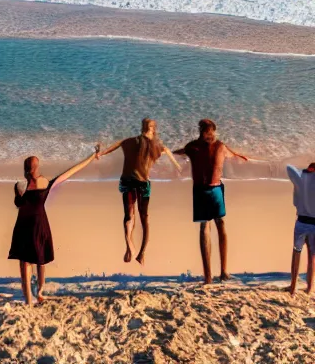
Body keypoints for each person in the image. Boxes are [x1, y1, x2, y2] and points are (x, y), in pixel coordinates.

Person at [8, 146, 99, 305]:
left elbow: (19, 204)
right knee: (40, 259)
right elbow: (71, 171)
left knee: (25, 263)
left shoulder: (19, 185)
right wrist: (92, 157)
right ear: (37, 168)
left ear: (25, 169)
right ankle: (40, 292)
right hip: (39, 223)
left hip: (24, 226)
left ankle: (29, 299)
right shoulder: (45, 183)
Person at [173, 119, 248, 284]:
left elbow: (180, 152)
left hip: (208, 190)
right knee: (213, 226)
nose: (209, 135)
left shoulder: (193, 147)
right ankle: (218, 273)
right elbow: (231, 153)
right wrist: (239, 156)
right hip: (209, 190)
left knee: (211, 226)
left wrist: (168, 152)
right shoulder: (214, 146)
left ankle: (216, 274)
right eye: (208, 132)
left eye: (210, 132)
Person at [98, 119, 181, 265]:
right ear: (153, 129)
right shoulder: (155, 146)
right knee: (144, 218)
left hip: (127, 181)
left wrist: (102, 153)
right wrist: (177, 165)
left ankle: (129, 244)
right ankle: (141, 253)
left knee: (129, 215)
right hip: (142, 184)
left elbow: (118, 144)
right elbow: (167, 150)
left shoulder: (131, 141)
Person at [286, 162, 315, 296]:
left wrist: (304, 171)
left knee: (296, 252)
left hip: (301, 223)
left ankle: (293, 286)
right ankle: (309, 287)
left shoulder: (300, 177)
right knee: (311, 256)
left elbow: (288, 167)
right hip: (314, 225)